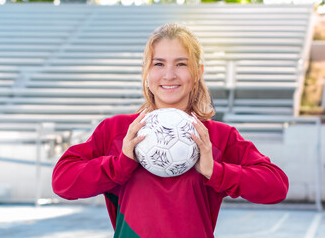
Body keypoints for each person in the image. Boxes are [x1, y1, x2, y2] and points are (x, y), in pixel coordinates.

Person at [52, 23, 289, 238]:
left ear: (198, 72)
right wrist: (120, 164)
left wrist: (214, 171)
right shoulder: (117, 131)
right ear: (146, 72)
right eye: (159, 64)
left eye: (181, 64)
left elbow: (276, 186)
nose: (169, 74)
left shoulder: (216, 137)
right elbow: (62, 182)